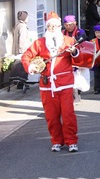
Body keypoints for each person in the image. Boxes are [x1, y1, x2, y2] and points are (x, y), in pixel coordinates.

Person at [21, 11, 83, 153]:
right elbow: (26, 57)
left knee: (68, 114)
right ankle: (56, 140)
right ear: (47, 27)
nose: (53, 28)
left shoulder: (69, 41)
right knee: (51, 116)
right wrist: (31, 66)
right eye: (50, 26)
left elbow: (79, 60)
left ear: (60, 26)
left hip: (65, 83)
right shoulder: (39, 43)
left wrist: (74, 53)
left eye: (55, 25)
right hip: (47, 85)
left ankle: (71, 140)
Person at [62, 15, 87, 104]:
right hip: (66, 58)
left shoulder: (80, 31)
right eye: (67, 25)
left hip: (78, 57)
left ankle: (76, 94)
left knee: (77, 78)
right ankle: (73, 95)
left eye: (71, 24)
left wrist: (75, 40)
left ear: (75, 23)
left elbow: (83, 38)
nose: (69, 27)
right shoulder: (62, 32)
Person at [12, 11, 31, 89]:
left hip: (17, 50)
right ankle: (21, 84)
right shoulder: (23, 27)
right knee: (22, 68)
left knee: (18, 67)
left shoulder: (18, 25)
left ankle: (19, 83)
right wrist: (24, 51)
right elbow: (22, 40)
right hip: (22, 50)